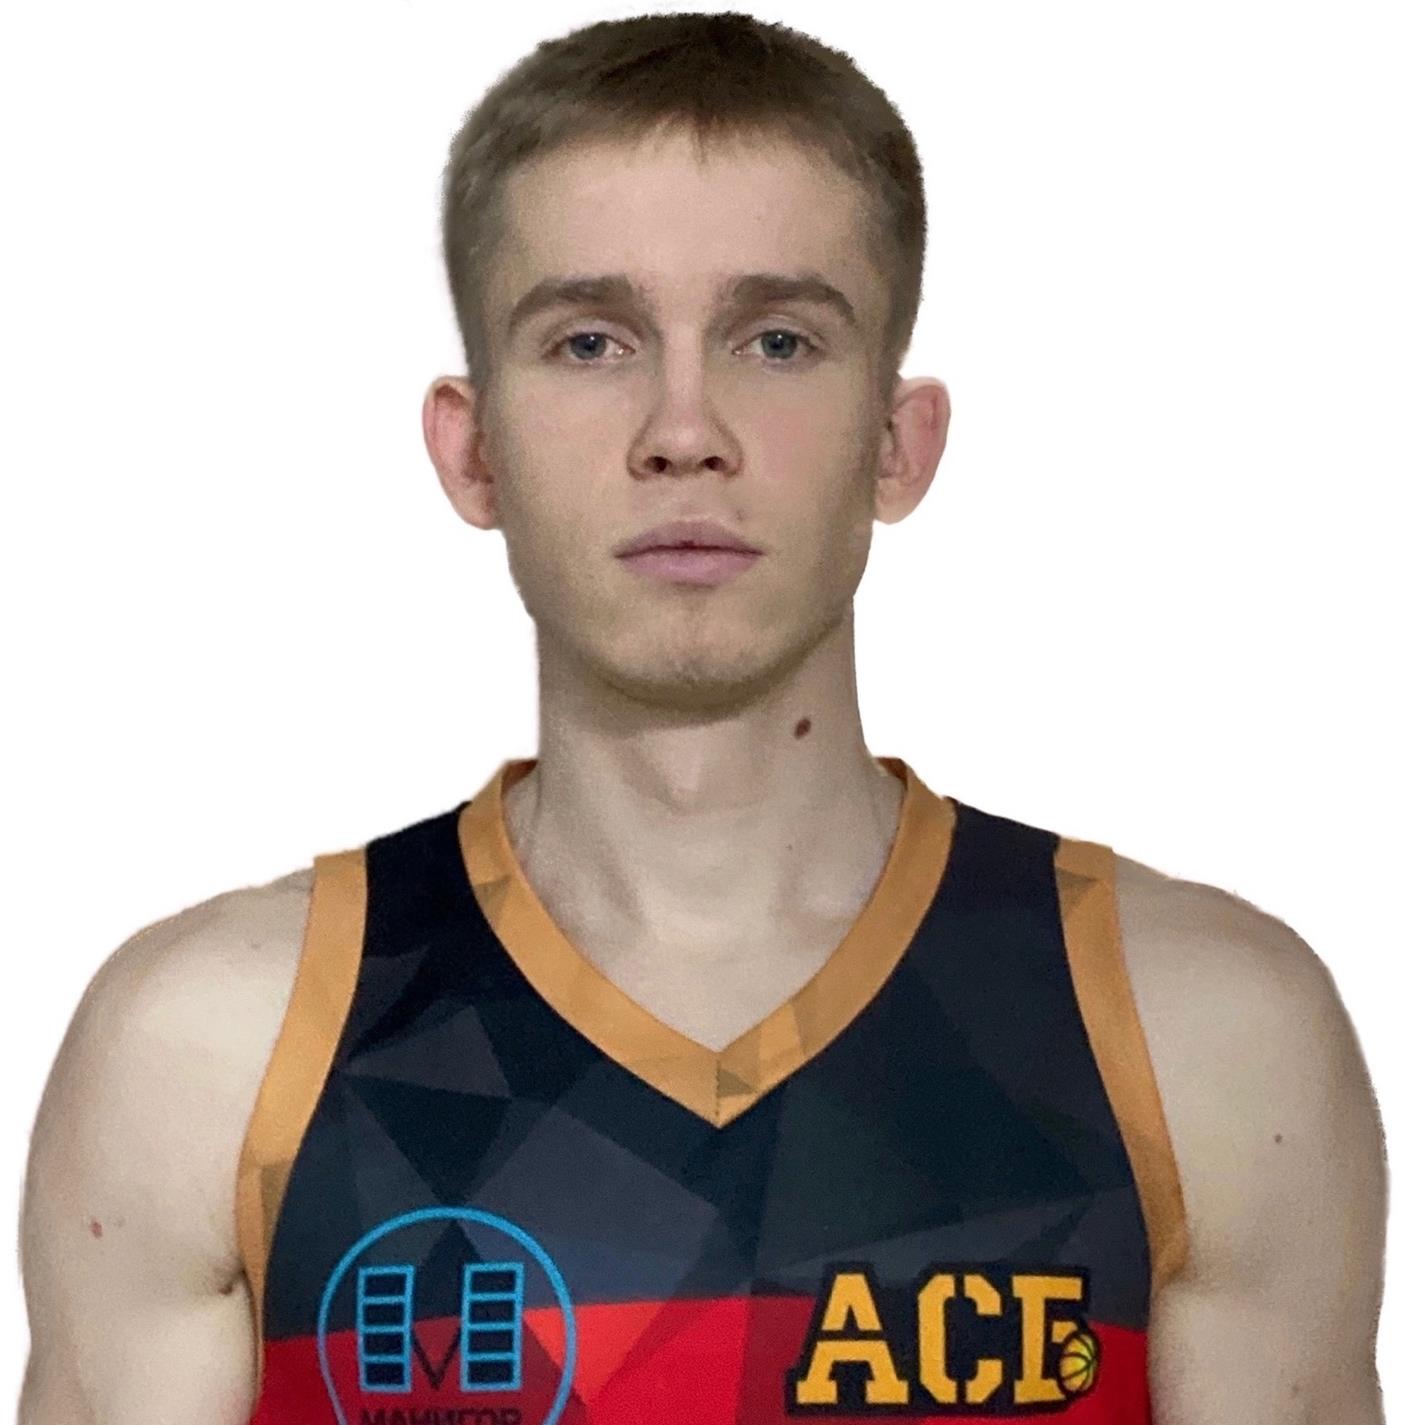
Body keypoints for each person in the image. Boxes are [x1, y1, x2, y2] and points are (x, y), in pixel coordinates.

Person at [17, 11, 1387, 1424]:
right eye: (590, 341)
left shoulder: (1201, 1035)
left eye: (777, 340)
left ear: (897, 442)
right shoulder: (209, 1051)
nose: (683, 429)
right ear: (472, 448)